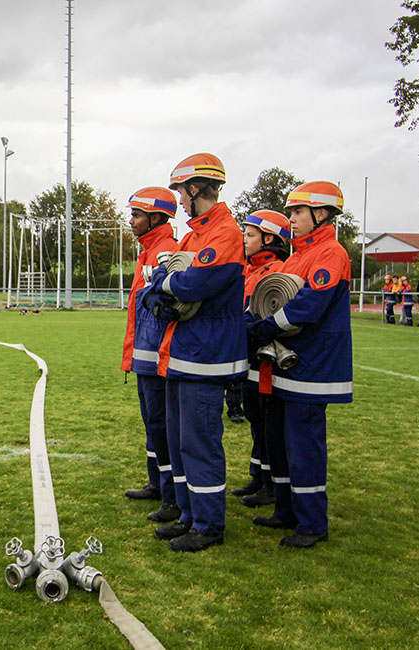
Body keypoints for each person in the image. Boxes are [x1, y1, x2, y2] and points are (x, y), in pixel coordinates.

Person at [149, 153, 247, 552]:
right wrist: (165, 282)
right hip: (183, 354)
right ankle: (189, 516)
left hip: (206, 358)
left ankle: (208, 526)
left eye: (180, 192)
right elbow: (167, 273)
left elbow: (193, 283)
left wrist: (164, 284)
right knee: (182, 444)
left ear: (194, 189)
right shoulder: (195, 234)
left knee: (200, 446)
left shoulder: (224, 233)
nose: (179, 200)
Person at [247, 181, 353, 548]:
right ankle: (286, 510)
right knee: (279, 444)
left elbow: (307, 306)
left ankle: (312, 524)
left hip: (312, 369)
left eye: (297, 211)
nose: (291, 218)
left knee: (304, 448)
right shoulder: (297, 256)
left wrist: (263, 328)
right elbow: (270, 299)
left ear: (320, 214)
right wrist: (252, 321)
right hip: (286, 368)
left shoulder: (331, 254)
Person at [120, 186, 180, 524]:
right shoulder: (149, 251)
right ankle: (157, 482)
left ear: (156, 217)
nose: (131, 221)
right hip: (144, 355)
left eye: (136, 215)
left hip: (158, 357)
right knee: (152, 424)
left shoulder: (164, 252)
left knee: (161, 425)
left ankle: (171, 496)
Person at [234, 210, 291, 509]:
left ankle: (270, 483)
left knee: (267, 421)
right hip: (249, 357)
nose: (244, 239)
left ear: (269, 239)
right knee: (255, 418)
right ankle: (258, 475)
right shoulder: (250, 269)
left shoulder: (277, 271)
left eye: (250, 234)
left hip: (266, 360)